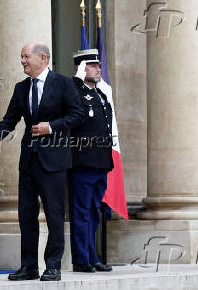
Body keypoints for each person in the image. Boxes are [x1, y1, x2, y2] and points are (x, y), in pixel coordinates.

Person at [0, 42, 84, 281]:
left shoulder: (63, 83)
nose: (22, 61)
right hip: (28, 161)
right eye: (21, 57)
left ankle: (53, 266)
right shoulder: (21, 88)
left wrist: (51, 126)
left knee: (54, 215)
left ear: (43, 58)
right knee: (26, 215)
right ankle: (29, 267)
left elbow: (77, 115)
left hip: (54, 161)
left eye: (26, 57)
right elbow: (9, 121)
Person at [68, 49, 113, 273]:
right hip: (83, 164)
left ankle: (92, 256)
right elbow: (71, 105)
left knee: (94, 212)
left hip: (101, 164)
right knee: (81, 211)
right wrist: (77, 79)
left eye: (98, 65)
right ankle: (81, 258)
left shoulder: (101, 96)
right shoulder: (75, 92)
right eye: (92, 65)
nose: (98, 68)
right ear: (81, 68)